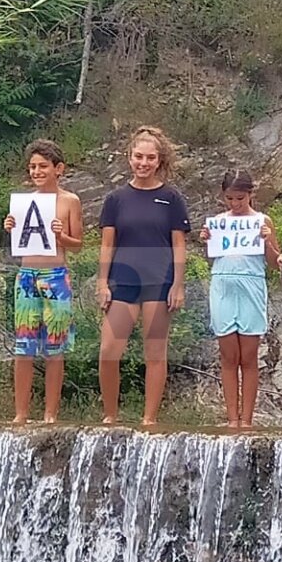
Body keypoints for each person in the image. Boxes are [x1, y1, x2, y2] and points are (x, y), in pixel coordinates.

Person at [96, 127, 190, 429]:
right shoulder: (116, 199)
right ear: (129, 157)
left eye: (150, 158)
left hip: (159, 282)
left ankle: (149, 418)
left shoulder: (171, 198)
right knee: (109, 352)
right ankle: (110, 414)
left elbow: (179, 245)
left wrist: (178, 284)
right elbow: (107, 244)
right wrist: (101, 282)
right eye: (139, 156)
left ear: (159, 160)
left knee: (155, 352)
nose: (144, 163)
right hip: (122, 282)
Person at [2, 139, 84, 423]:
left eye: (43, 166)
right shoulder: (24, 202)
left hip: (56, 276)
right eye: (33, 167)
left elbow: (77, 245)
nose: (37, 171)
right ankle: (21, 413)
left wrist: (62, 236)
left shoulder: (69, 201)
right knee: (23, 347)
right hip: (26, 275)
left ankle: (50, 413)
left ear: (58, 169)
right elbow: (16, 242)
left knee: (55, 348)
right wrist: (9, 228)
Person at [204, 170, 278, 430]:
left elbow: (274, 262)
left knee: (248, 356)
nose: (235, 204)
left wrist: (267, 240)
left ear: (250, 195)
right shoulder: (218, 221)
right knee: (228, 354)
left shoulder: (262, 220)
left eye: (240, 198)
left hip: (251, 283)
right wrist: (208, 241)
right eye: (230, 199)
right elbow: (214, 257)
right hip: (223, 283)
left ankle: (247, 419)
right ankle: (232, 418)